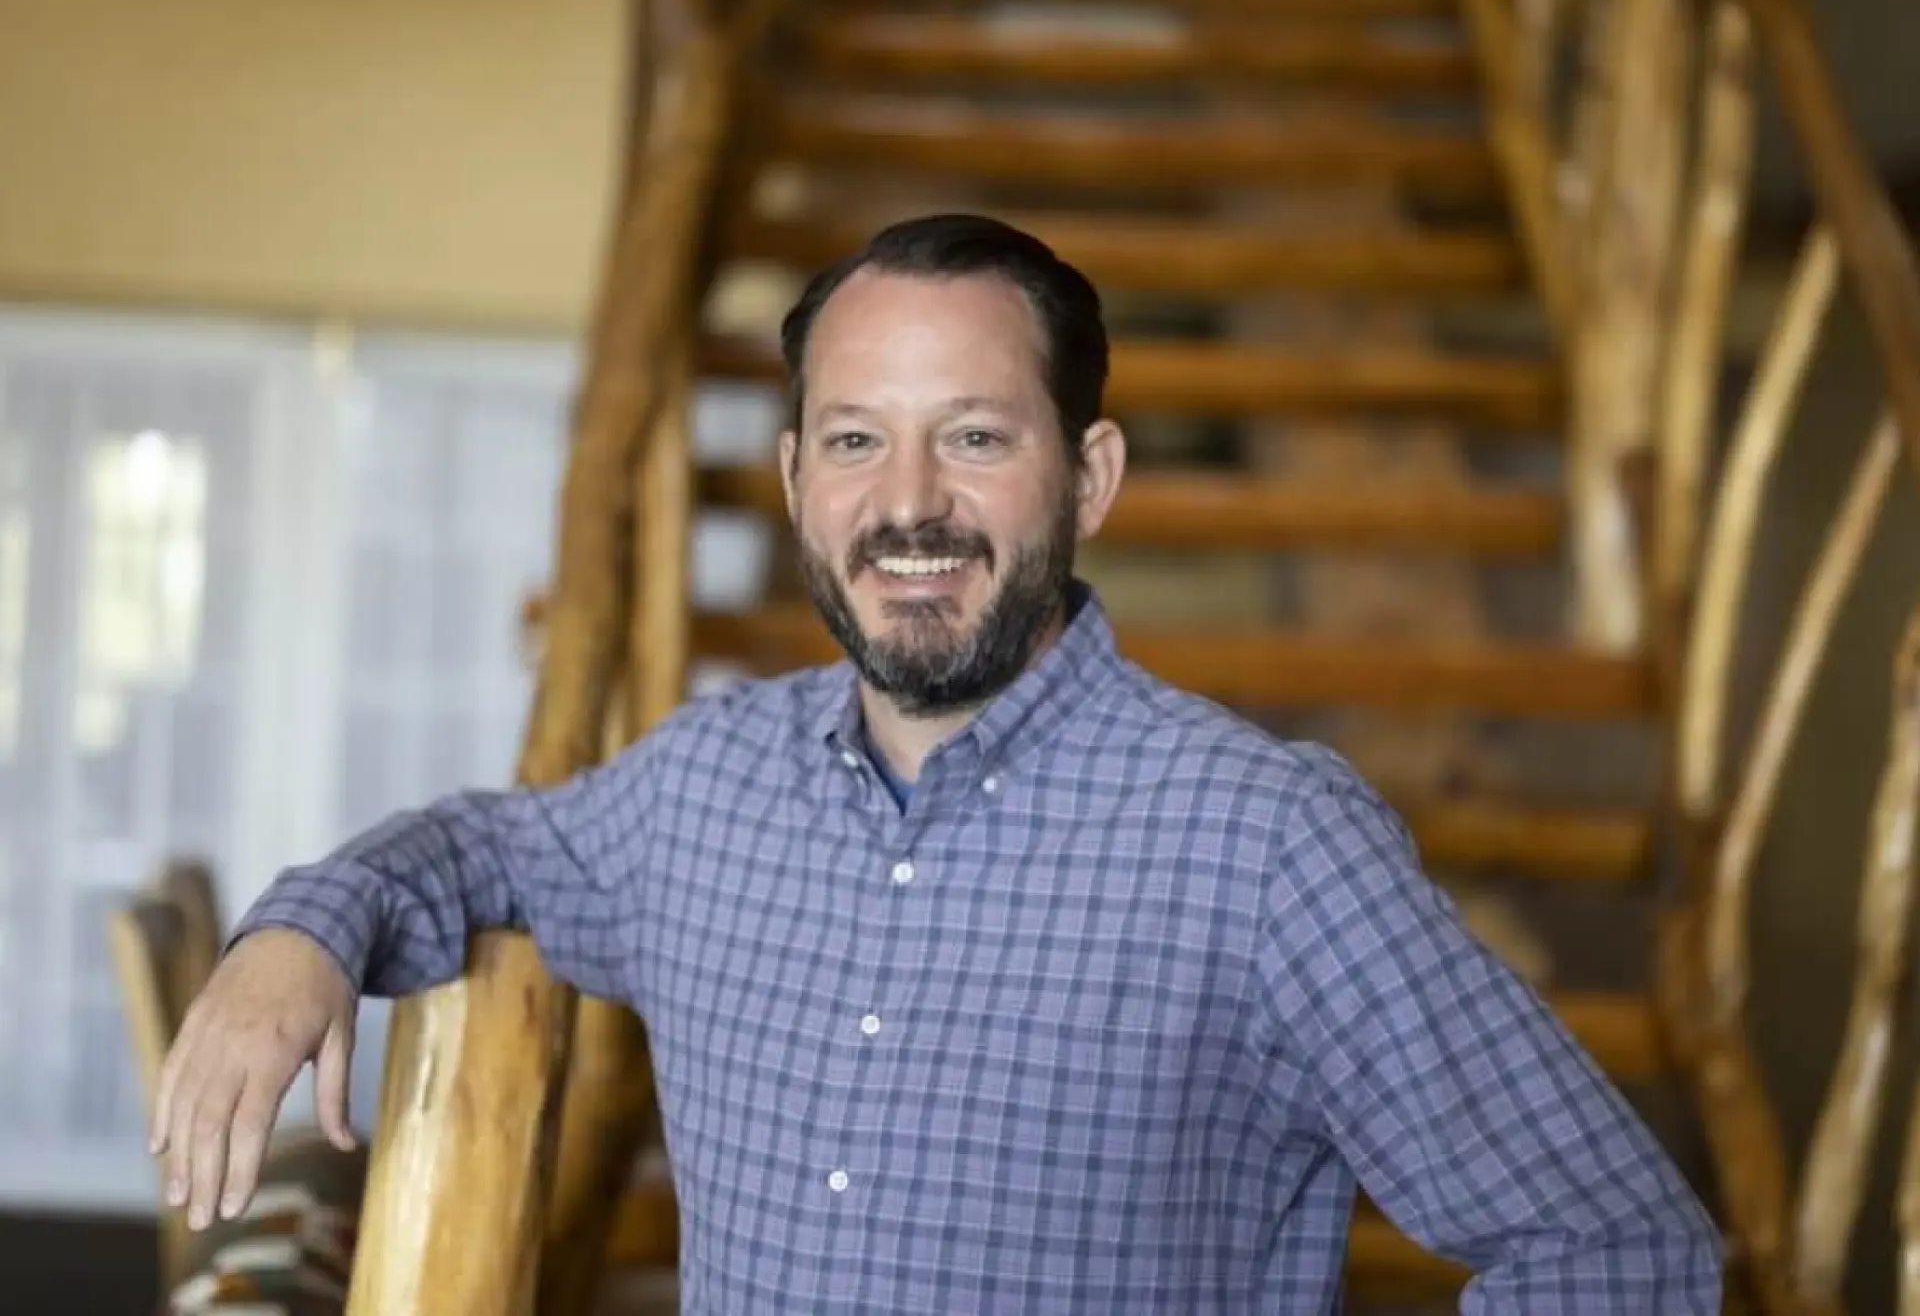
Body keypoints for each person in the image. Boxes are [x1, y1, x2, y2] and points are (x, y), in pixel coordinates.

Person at [149, 213, 1723, 1311]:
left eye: (974, 437)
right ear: (794, 479)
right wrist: (305, 930)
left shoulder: (1265, 847)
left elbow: (1612, 1245)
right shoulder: (704, 787)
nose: (908, 504)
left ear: (1089, 477)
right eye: (855, 439)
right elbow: (486, 848)